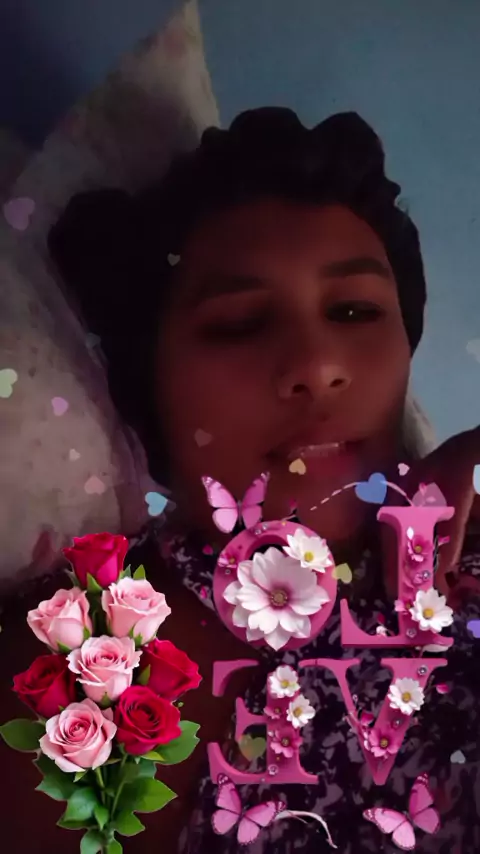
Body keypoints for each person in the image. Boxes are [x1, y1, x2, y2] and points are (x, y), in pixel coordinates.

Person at [46, 108, 480, 853]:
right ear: (147, 385)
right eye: (239, 323)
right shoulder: (100, 677)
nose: (318, 365)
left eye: (355, 310)